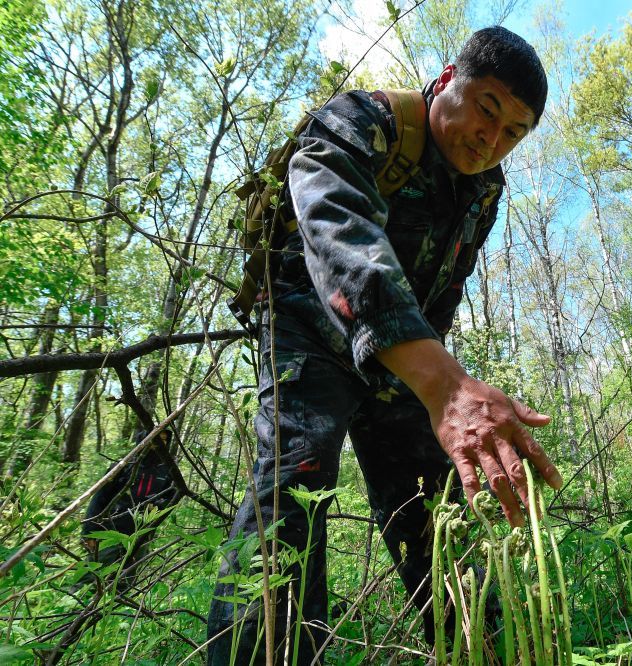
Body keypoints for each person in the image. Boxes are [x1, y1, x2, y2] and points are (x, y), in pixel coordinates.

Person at [206, 26, 563, 664]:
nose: (491, 138)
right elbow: (337, 234)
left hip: (405, 354)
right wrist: (446, 387)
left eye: (513, 132)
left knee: (436, 506)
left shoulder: (486, 189)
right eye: (487, 109)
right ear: (450, 77)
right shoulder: (363, 119)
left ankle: (483, 652)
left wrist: (437, 387)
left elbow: (447, 286)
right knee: (297, 474)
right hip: (306, 325)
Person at [80, 430, 180, 587]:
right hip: (109, 531)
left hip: (139, 536)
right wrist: (88, 532)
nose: (160, 444)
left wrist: (158, 507)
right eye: (155, 440)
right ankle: (76, 609)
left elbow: (172, 499)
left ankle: (113, 610)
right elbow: (99, 498)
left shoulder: (168, 472)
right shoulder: (123, 465)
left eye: (164, 440)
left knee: (123, 582)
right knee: (91, 577)